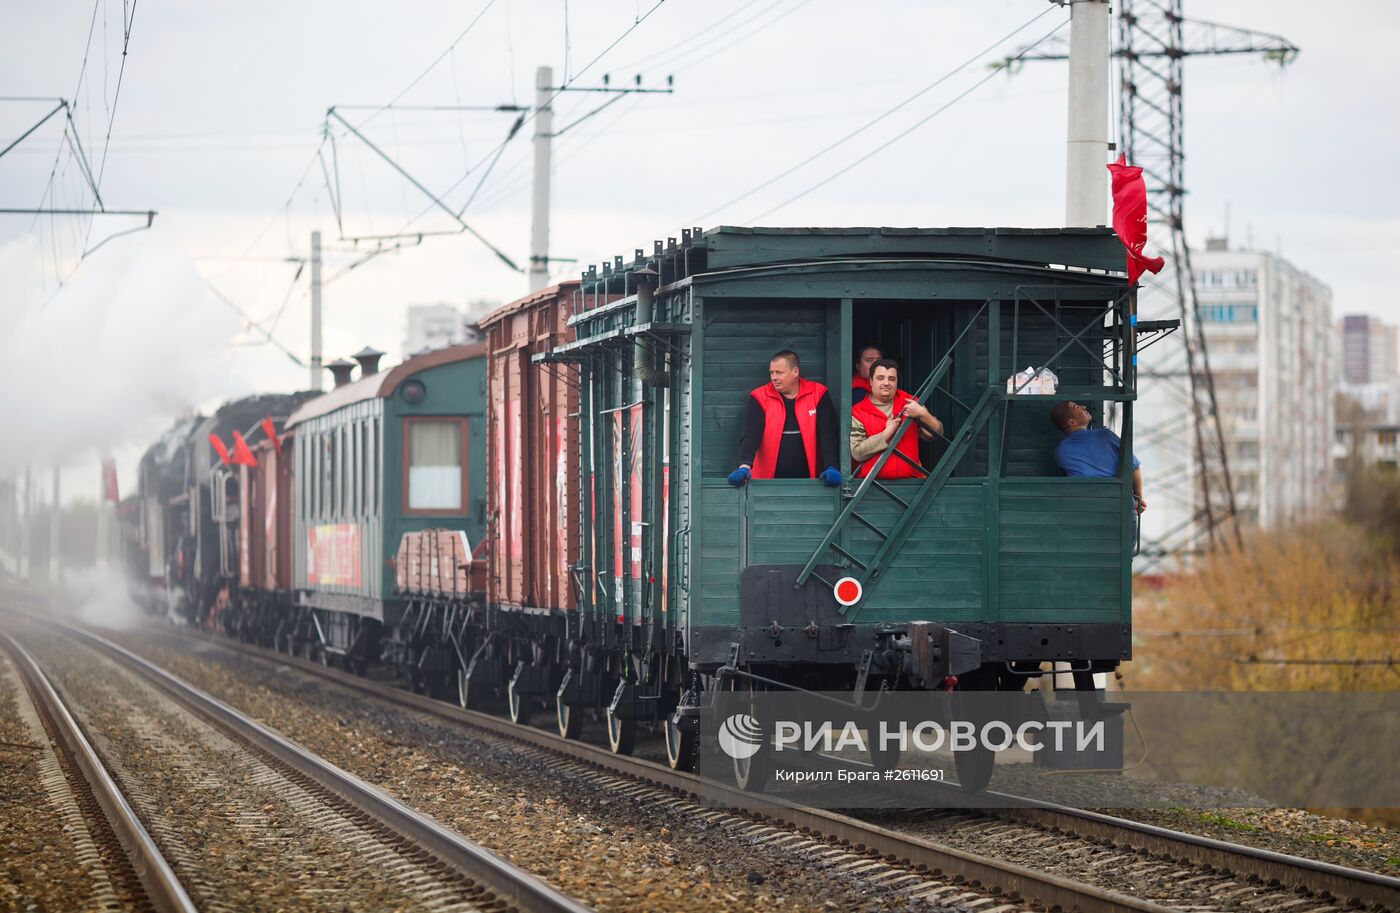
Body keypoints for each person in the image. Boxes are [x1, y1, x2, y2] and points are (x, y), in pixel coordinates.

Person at [730, 350, 841, 486]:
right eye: (771, 372)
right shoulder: (759, 396)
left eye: (779, 372)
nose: (774, 377)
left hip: (811, 482)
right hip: (766, 484)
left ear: (795, 372)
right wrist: (744, 466)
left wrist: (832, 466)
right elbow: (751, 435)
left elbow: (828, 435)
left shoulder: (818, 393)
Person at [849, 359, 943, 479]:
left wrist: (924, 414)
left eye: (892, 379)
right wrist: (886, 434)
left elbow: (936, 434)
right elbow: (857, 453)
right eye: (880, 378)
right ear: (871, 381)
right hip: (871, 486)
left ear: (897, 381)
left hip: (911, 483)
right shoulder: (858, 412)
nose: (887, 383)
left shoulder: (911, 402)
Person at [1049, 401, 1146, 513]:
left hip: (1083, 507)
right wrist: (1138, 498)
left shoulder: (1061, 450)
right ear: (1072, 422)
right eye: (1077, 407)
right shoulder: (1105, 435)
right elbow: (1133, 466)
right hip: (1118, 504)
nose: (1083, 406)